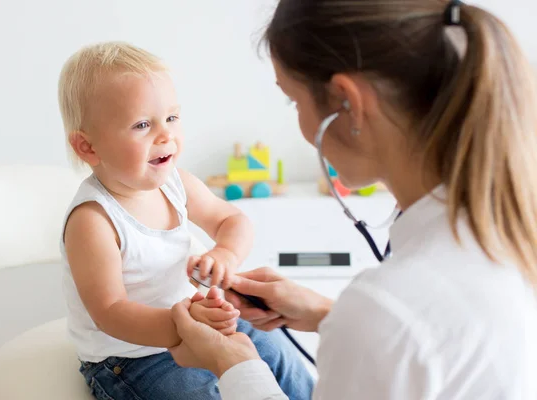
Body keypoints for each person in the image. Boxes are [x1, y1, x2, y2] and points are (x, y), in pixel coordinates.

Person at [168, 0, 537, 398]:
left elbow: (400, 334)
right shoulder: (511, 233)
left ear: (347, 102)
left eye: (294, 100)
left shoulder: (383, 313)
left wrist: (232, 365)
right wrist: (328, 315)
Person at [56, 41, 314, 400]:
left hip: (200, 322)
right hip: (133, 357)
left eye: (172, 118)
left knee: (277, 355)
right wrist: (182, 326)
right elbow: (109, 312)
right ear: (89, 147)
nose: (166, 135)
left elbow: (231, 220)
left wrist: (225, 255)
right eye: (142, 124)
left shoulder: (176, 182)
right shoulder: (93, 220)